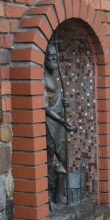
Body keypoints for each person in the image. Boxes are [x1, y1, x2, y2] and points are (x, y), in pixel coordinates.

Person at [44, 43, 76, 204]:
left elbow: (54, 100)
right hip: (51, 126)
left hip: (59, 127)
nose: (53, 60)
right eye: (49, 57)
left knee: (64, 161)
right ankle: (49, 198)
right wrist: (62, 120)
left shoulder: (54, 78)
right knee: (49, 164)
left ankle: (59, 196)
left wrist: (62, 102)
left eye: (55, 57)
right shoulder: (43, 79)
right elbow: (45, 108)